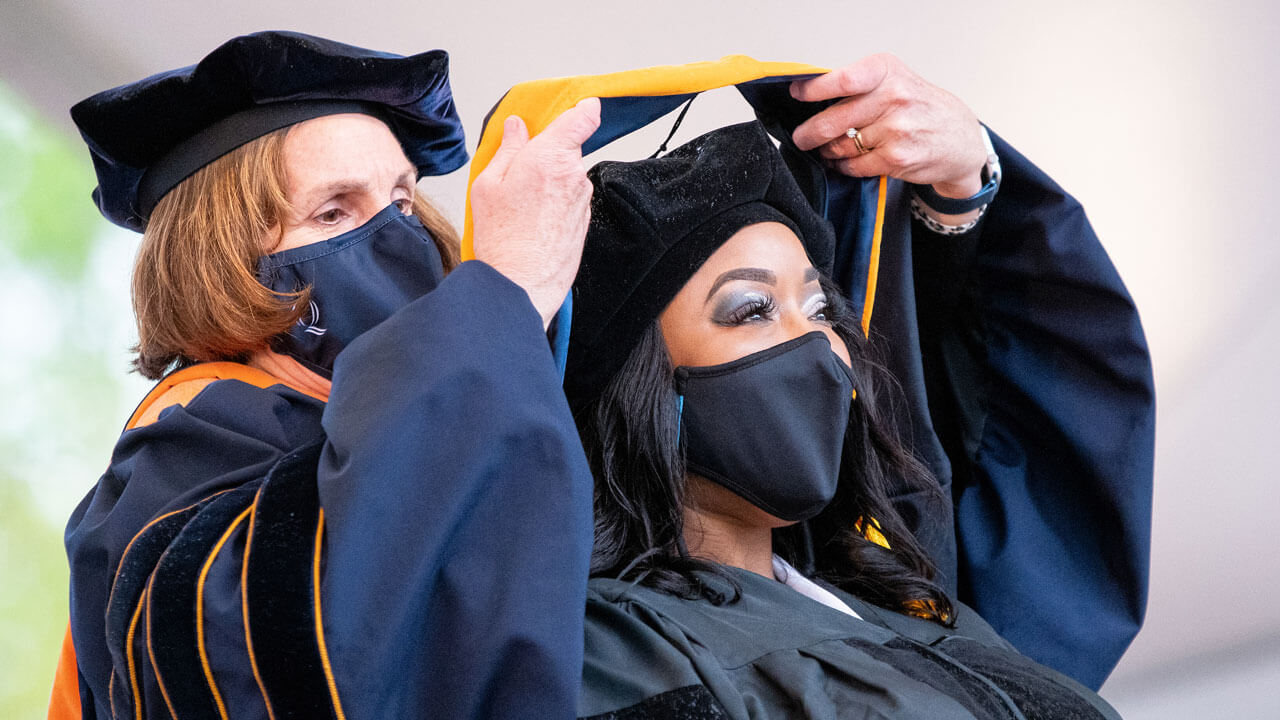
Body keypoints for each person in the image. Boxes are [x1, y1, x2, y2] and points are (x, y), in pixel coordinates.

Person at [51, 31, 602, 719]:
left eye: (401, 202)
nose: (400, 238)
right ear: (218, 262)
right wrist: (506, 296)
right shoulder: (180, 455)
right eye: (333, 211)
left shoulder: (472, 395)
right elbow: (290, 663)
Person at [565, 120, 1124, 719]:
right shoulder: (617, 651)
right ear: (639, 385)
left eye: (820, 308)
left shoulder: (909, 604)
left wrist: (968, 180)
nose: (814, 345)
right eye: (753, 308)